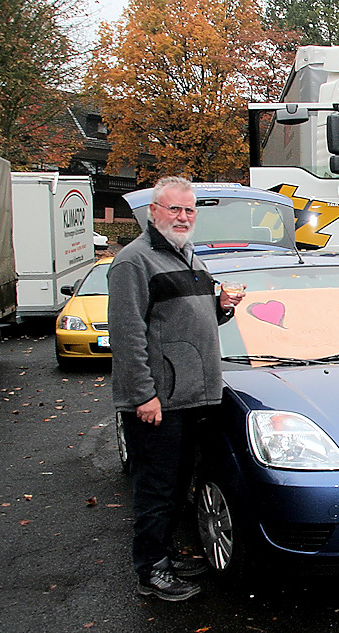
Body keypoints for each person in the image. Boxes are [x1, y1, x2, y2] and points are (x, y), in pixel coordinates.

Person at [108, 176, 244, 601]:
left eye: (189, 210)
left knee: (177, 483)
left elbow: (189, 323)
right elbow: (127, 336)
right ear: (154, 212)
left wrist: (221, 309)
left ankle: (163, 557)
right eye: (174, 209)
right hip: (159, 401)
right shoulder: (134, 262)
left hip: (190, 397)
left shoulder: (189, 257)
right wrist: (143, 396)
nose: (183, 217)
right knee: (157, 489)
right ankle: (150, 572)